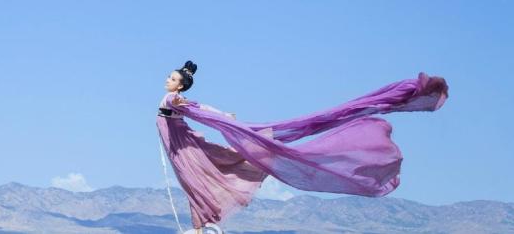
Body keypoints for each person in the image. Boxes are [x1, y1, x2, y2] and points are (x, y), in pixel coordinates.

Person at [156, 61, 449, 233]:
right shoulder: (175, 100)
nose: (167, 81)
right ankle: (199, 225)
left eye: (172, 79)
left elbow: (193, 107)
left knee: (203, 178)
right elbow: (199, 108)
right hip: (185, 143)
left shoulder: (171, 99)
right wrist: (223, 115)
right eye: (169, 77)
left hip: (186, 145)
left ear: (180, 86)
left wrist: (221, 116)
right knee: (204, 177)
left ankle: (198, 226)